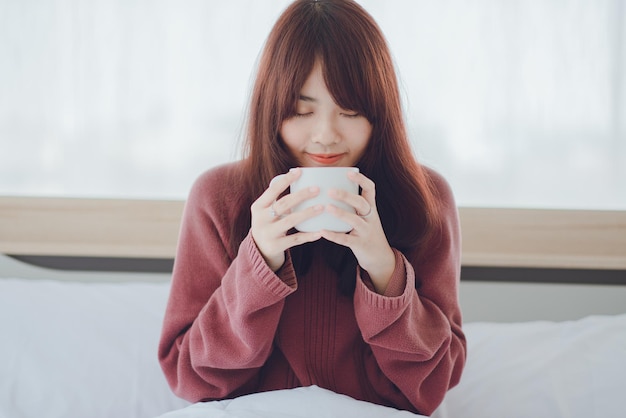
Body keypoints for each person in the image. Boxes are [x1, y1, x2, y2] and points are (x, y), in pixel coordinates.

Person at [158, 0, 466, 415]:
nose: (325, 135)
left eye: (350, 110)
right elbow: (188, 376)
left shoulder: (425, 199)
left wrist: (383, 269)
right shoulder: (218, 197)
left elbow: (434, 385)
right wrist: (258, 264)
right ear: (272, 110)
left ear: (381, 115)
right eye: (302, 111)